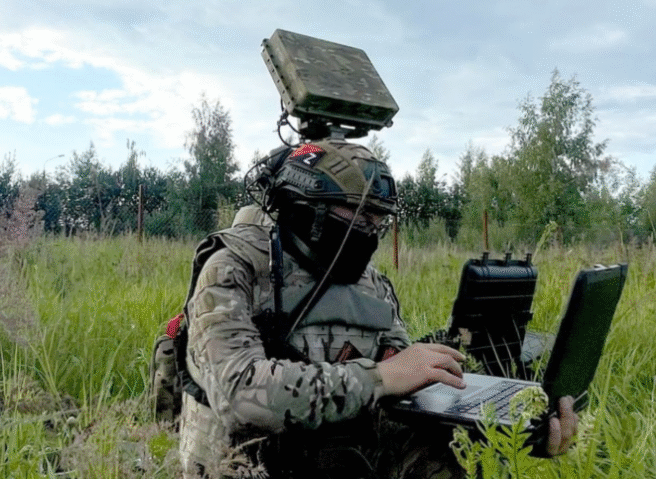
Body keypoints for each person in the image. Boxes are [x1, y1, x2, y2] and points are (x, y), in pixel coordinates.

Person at [178, 139, 577, 478]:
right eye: (359, 216)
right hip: (245, 460)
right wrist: (380, 377)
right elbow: (240, 394)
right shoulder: (234, 267)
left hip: (341, 452)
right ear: (307, 209)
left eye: (379, 221)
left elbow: (403, 389)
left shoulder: (371, 285)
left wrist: (510, 428)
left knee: (458, 459)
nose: (370, 232)